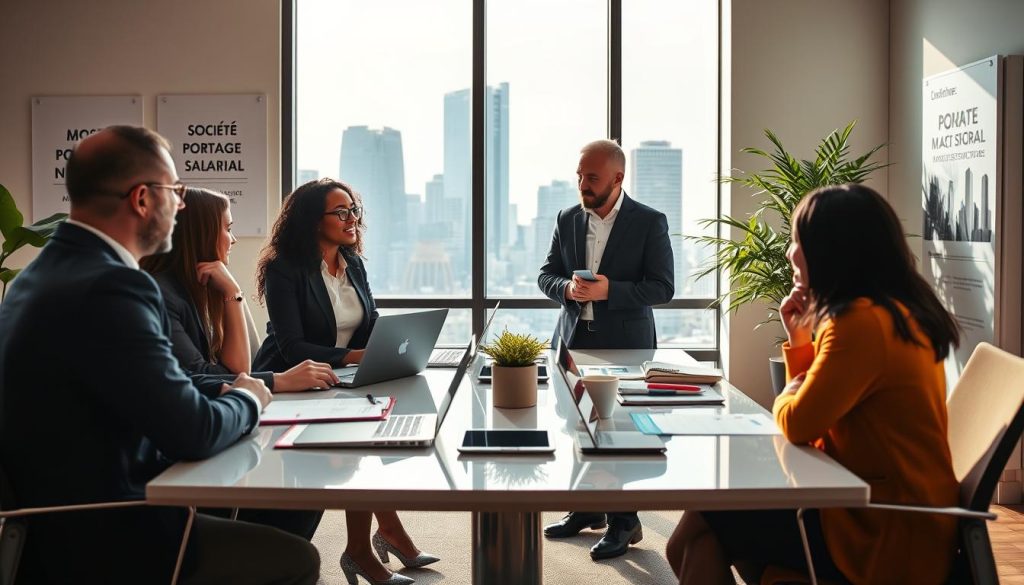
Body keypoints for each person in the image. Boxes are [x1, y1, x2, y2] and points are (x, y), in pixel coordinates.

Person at [0, 126, 319, 584]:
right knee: (296, 560)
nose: (182, 205)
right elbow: (194, 430)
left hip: (52, 526)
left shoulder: (40, 275)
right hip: (112, 535)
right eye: (175, 191)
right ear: (143, 200)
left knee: (271, 510)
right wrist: (249, 398)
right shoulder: (114, 286)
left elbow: (157, 389)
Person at [666, 183, 961, 585]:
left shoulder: (859, 325)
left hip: (880, 529)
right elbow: (813, 411)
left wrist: (788, 395)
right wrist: (800, 340)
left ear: (830, 250)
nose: (789, 253)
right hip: (879, 509)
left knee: (698, 530)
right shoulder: (889, 312)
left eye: (796, 241)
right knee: (700, 532)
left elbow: (797, 421)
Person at [253, 178, 438, 585]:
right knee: (362, 442)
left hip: (343, 378)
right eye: (341, 211)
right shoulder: (285, 268)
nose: (351, 218)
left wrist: (394, 343)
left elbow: (367, 322)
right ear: (311, 220)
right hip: (296, 380)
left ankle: (373, 541)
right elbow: (290, 345)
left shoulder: (353, 263)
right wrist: (353, 357)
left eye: (354, 209)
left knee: (372, 437)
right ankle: (375, 541)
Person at [140, 186, 338, 540]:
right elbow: (202, 374)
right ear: (202, 233)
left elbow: (234, 369)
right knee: (306, 483)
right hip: (176, 464)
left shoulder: (195, 288)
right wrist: (277, 380)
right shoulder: (162, 293)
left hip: (208, 435)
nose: (232, 239)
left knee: (310, 481)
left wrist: (232, 293)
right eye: (228, 228)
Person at [537, 139, 674, 560]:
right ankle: (587, 507)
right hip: (575, 343)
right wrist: (568, 289)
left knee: (620, 435)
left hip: (627, 349)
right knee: (578, 427)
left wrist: (610, 289)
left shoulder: (650, 222)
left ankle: (624, 522)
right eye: (579, 175)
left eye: (591, 177)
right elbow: (546, 275)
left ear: (617, 178)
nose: (582, 184)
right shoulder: (567, 218)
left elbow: (663, 288)